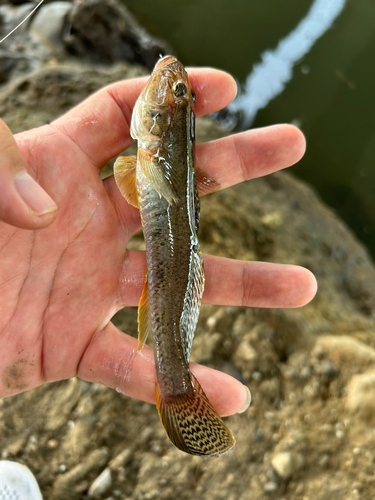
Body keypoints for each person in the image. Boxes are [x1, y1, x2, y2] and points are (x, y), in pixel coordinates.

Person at [0, 68, 317, 418]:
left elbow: (141, 175)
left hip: (169, 235)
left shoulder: (153, 154)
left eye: (179, 94)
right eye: (182, 95)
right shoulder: (152, 154)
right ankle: (176, 385)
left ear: (161, 123)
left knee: (169, 298)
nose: (170, 80)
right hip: (167, 222)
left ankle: (176, 386)